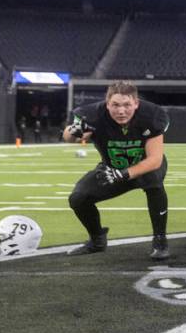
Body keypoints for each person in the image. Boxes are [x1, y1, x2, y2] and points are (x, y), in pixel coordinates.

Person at [63, 81, 171, 260]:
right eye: (115, 105)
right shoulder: (94, 116)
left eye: (127, 105)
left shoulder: (151, 115)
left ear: (136, 103)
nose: (121, 111)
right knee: (78, 198)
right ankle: (97, 240)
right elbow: (70, 138)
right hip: (111, 167)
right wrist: (74, 131)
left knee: (154, 184)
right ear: (107, 104)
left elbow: (155, 160)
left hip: (144, 166)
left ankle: (160, 240)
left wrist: (123, 174)